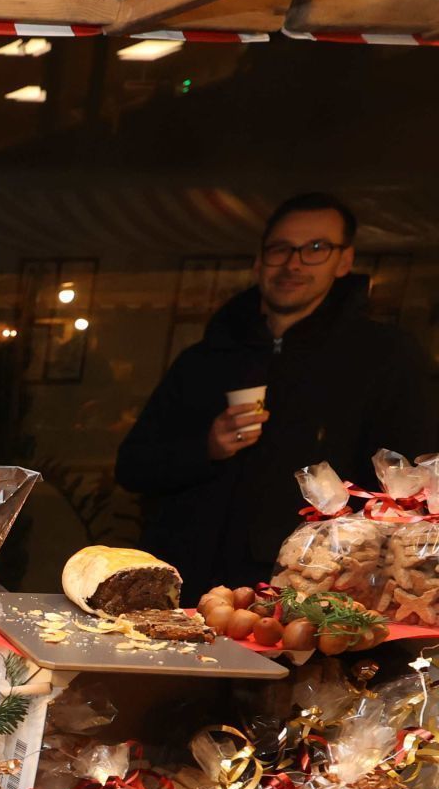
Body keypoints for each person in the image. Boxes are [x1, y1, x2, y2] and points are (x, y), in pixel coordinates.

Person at [117, 192, 438, 597]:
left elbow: (412, 486)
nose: (294, 263)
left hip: (307, 591)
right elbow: (132, 467)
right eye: (281, 249)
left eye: (316, 248)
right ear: (259, 261)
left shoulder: (384, 356)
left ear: (344, 261)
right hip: (183, 586)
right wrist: (208, 447)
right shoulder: (206, 358)